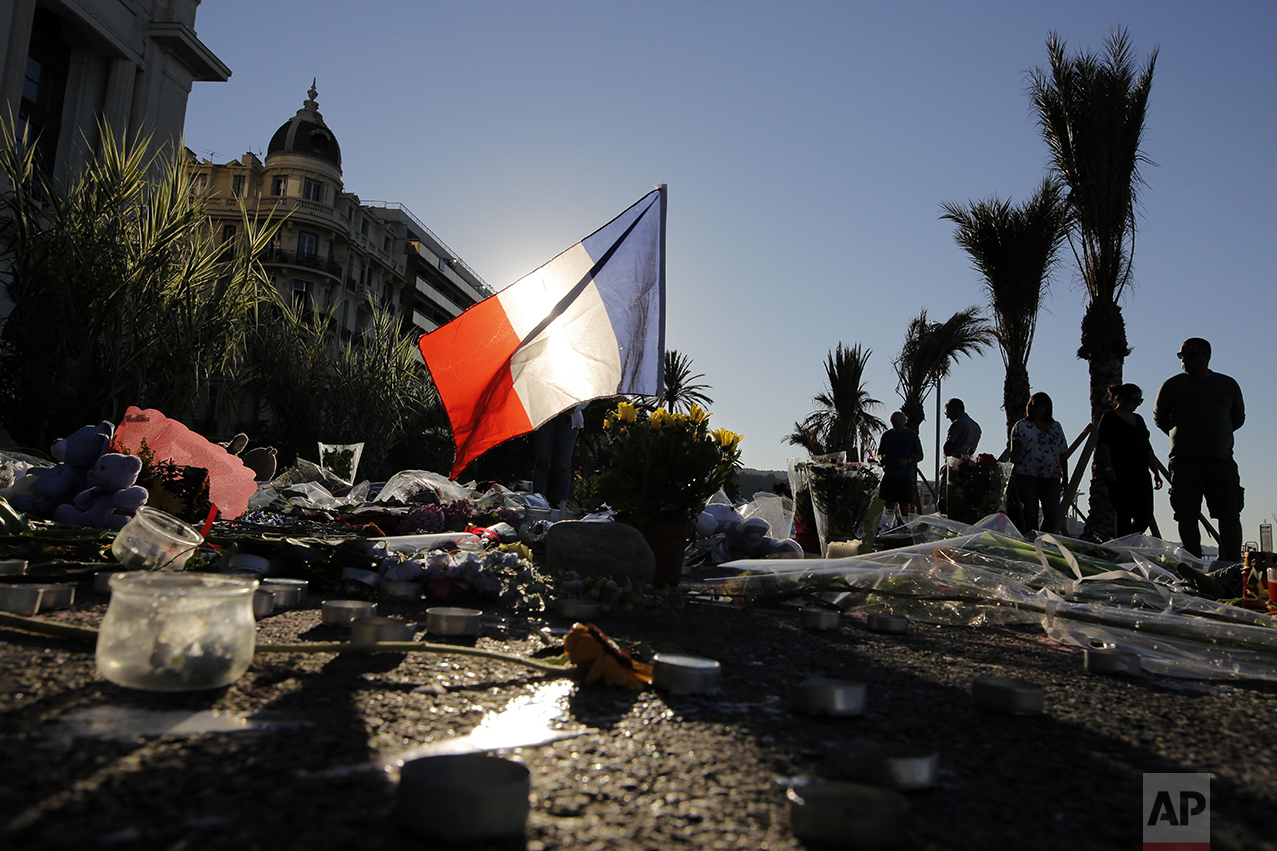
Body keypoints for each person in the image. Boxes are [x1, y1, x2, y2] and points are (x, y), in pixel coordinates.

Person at [1153, 338, 1245, 562]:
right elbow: (1161, 419)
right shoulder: (1172, 386)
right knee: (1186, 516)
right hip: (1185, 462)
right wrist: (1184, 435)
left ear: (1206, 356)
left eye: (1190, 355)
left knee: (1229, 514)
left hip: (1220, 461)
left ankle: (1233, 564)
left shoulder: (1227, 385)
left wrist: (1214, 436)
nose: (1184, 360)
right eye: (1181, 355)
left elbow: (1237, 418)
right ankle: (1194, 563)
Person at [1096, 383, 1163, 538]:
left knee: (1145, 516)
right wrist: (1108, 468)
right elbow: (1104, 445)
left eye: (1140, 401)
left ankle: (1125, 541)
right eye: (1135, 400)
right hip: (1120, 472)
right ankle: (1122, 546)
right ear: (1122, 399)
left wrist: (1156, 472)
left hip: (1140, 472)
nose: (1137, 404)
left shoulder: (1138, 420)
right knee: (1124, 513)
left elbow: (1147, 448)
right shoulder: (1110, 418)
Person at [1010, 392, 1069, 535]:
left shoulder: (1056, 427)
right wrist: (1011, 475)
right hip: (1026, 474)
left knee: (1052, 513)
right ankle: (1031, 539)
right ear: (1031, 407)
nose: (1040, 409)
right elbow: (1015, 452)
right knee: (1031, 511)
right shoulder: (1021, 426)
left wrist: (1065, 477)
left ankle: (1043, 538)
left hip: (1052, 476)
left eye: (1044, 406)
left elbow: (1062, 453)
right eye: (1037, 406)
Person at [532, 402, 587, 508]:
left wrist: (572, 408)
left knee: (564, 465)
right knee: (542, 462)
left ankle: (562, 504)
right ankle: (537, 503)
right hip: (546, 415)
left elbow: (587, 393)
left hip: (569, 419)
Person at [877, 411, 924, 518]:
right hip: (889, 474)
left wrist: (908, 461)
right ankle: (888, 525)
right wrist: (881, 458)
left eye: (898, 426)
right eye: (894, 425)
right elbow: (879, 452)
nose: (897, 429)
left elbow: (920, 455)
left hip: (904, 476)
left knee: (904, 503)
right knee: (888, 503)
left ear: (903, 423)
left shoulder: (912, 436)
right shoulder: (887, 436)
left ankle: (904, 526)